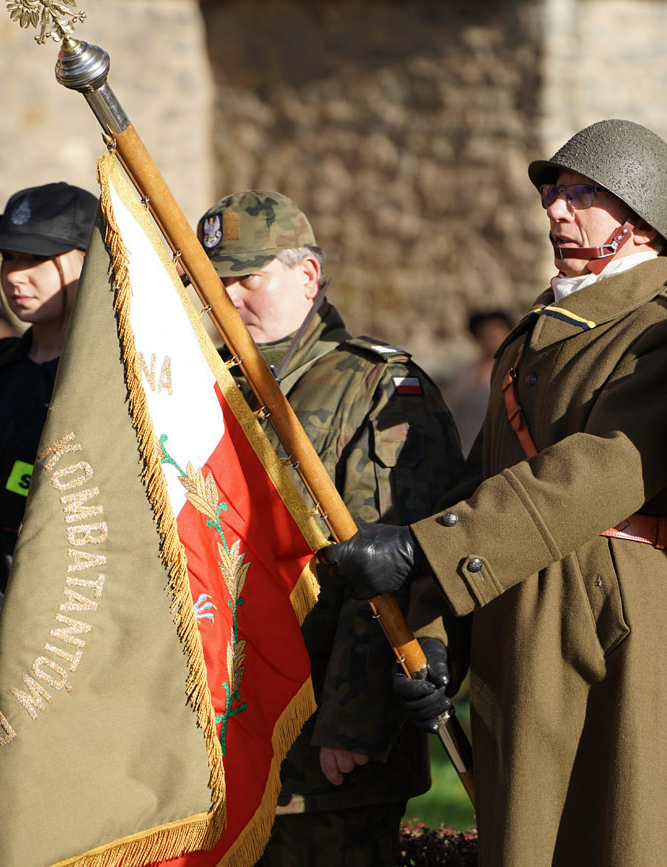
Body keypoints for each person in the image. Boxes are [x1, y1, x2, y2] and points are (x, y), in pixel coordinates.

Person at [323, 119, 667, 866]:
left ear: (638, 219)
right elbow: (481, 483)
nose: (555, 210)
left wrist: (424, 549)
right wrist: (435, 638)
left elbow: (599, 470)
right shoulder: (535, 333)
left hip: (619, 625)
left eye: (581, 195)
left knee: (629, 833)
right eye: (554, 195)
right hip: (521, 621)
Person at [195, 190, 464, 867]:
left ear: (307, 276)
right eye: (214, 281)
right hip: (218, 729)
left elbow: (391, 567)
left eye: (247, 278)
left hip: (323, 755)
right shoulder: (199, 381)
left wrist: (353, 724)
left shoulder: (375, 387)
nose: (227, 297)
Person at [0, 182, 97, 716]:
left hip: (49, 648)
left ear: (88, 264)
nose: (15, 276)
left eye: (37, 259)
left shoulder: (108, 386)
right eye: (8, 258)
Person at [445, 308, 514, 449]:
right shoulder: (465, 372)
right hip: (461, 450)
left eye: (497, 329)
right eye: (486, 330)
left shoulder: (511, 371)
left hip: (496, 451)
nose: (491, 334)